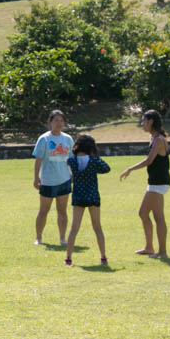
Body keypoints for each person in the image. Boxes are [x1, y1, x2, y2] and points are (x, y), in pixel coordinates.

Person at [120, 109, 170, 259]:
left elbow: (149, 160)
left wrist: (130, 169)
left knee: (158, 217)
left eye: (144, 121)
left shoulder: (159, 140)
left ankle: (162, 252)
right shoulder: (154, 138)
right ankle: (149, 247)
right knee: (143, 213)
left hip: (159, 183)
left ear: (151, 122)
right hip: (155, 182)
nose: (142, 124)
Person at [64, 134, 110, 266]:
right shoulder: (94, 160)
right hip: (92, 196)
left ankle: (68, 258)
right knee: (97, 227)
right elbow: (106, 168)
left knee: (74, 227)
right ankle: (103, 257)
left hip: (78, 196)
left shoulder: (72, 160)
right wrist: (95, 157)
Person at [32, 109, 73, 245]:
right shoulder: (44, 139)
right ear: (50, 122)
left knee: (62, 211)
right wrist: (36, 178)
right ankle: (38, 237)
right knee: (44, 210)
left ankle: (62, 238)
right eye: (56, 120)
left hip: (64, 180)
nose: (59, 123)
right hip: (48, 181)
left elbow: (71, 159)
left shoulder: (67, 139)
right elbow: (38, 159)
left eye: (61, 120)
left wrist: (73, 174)